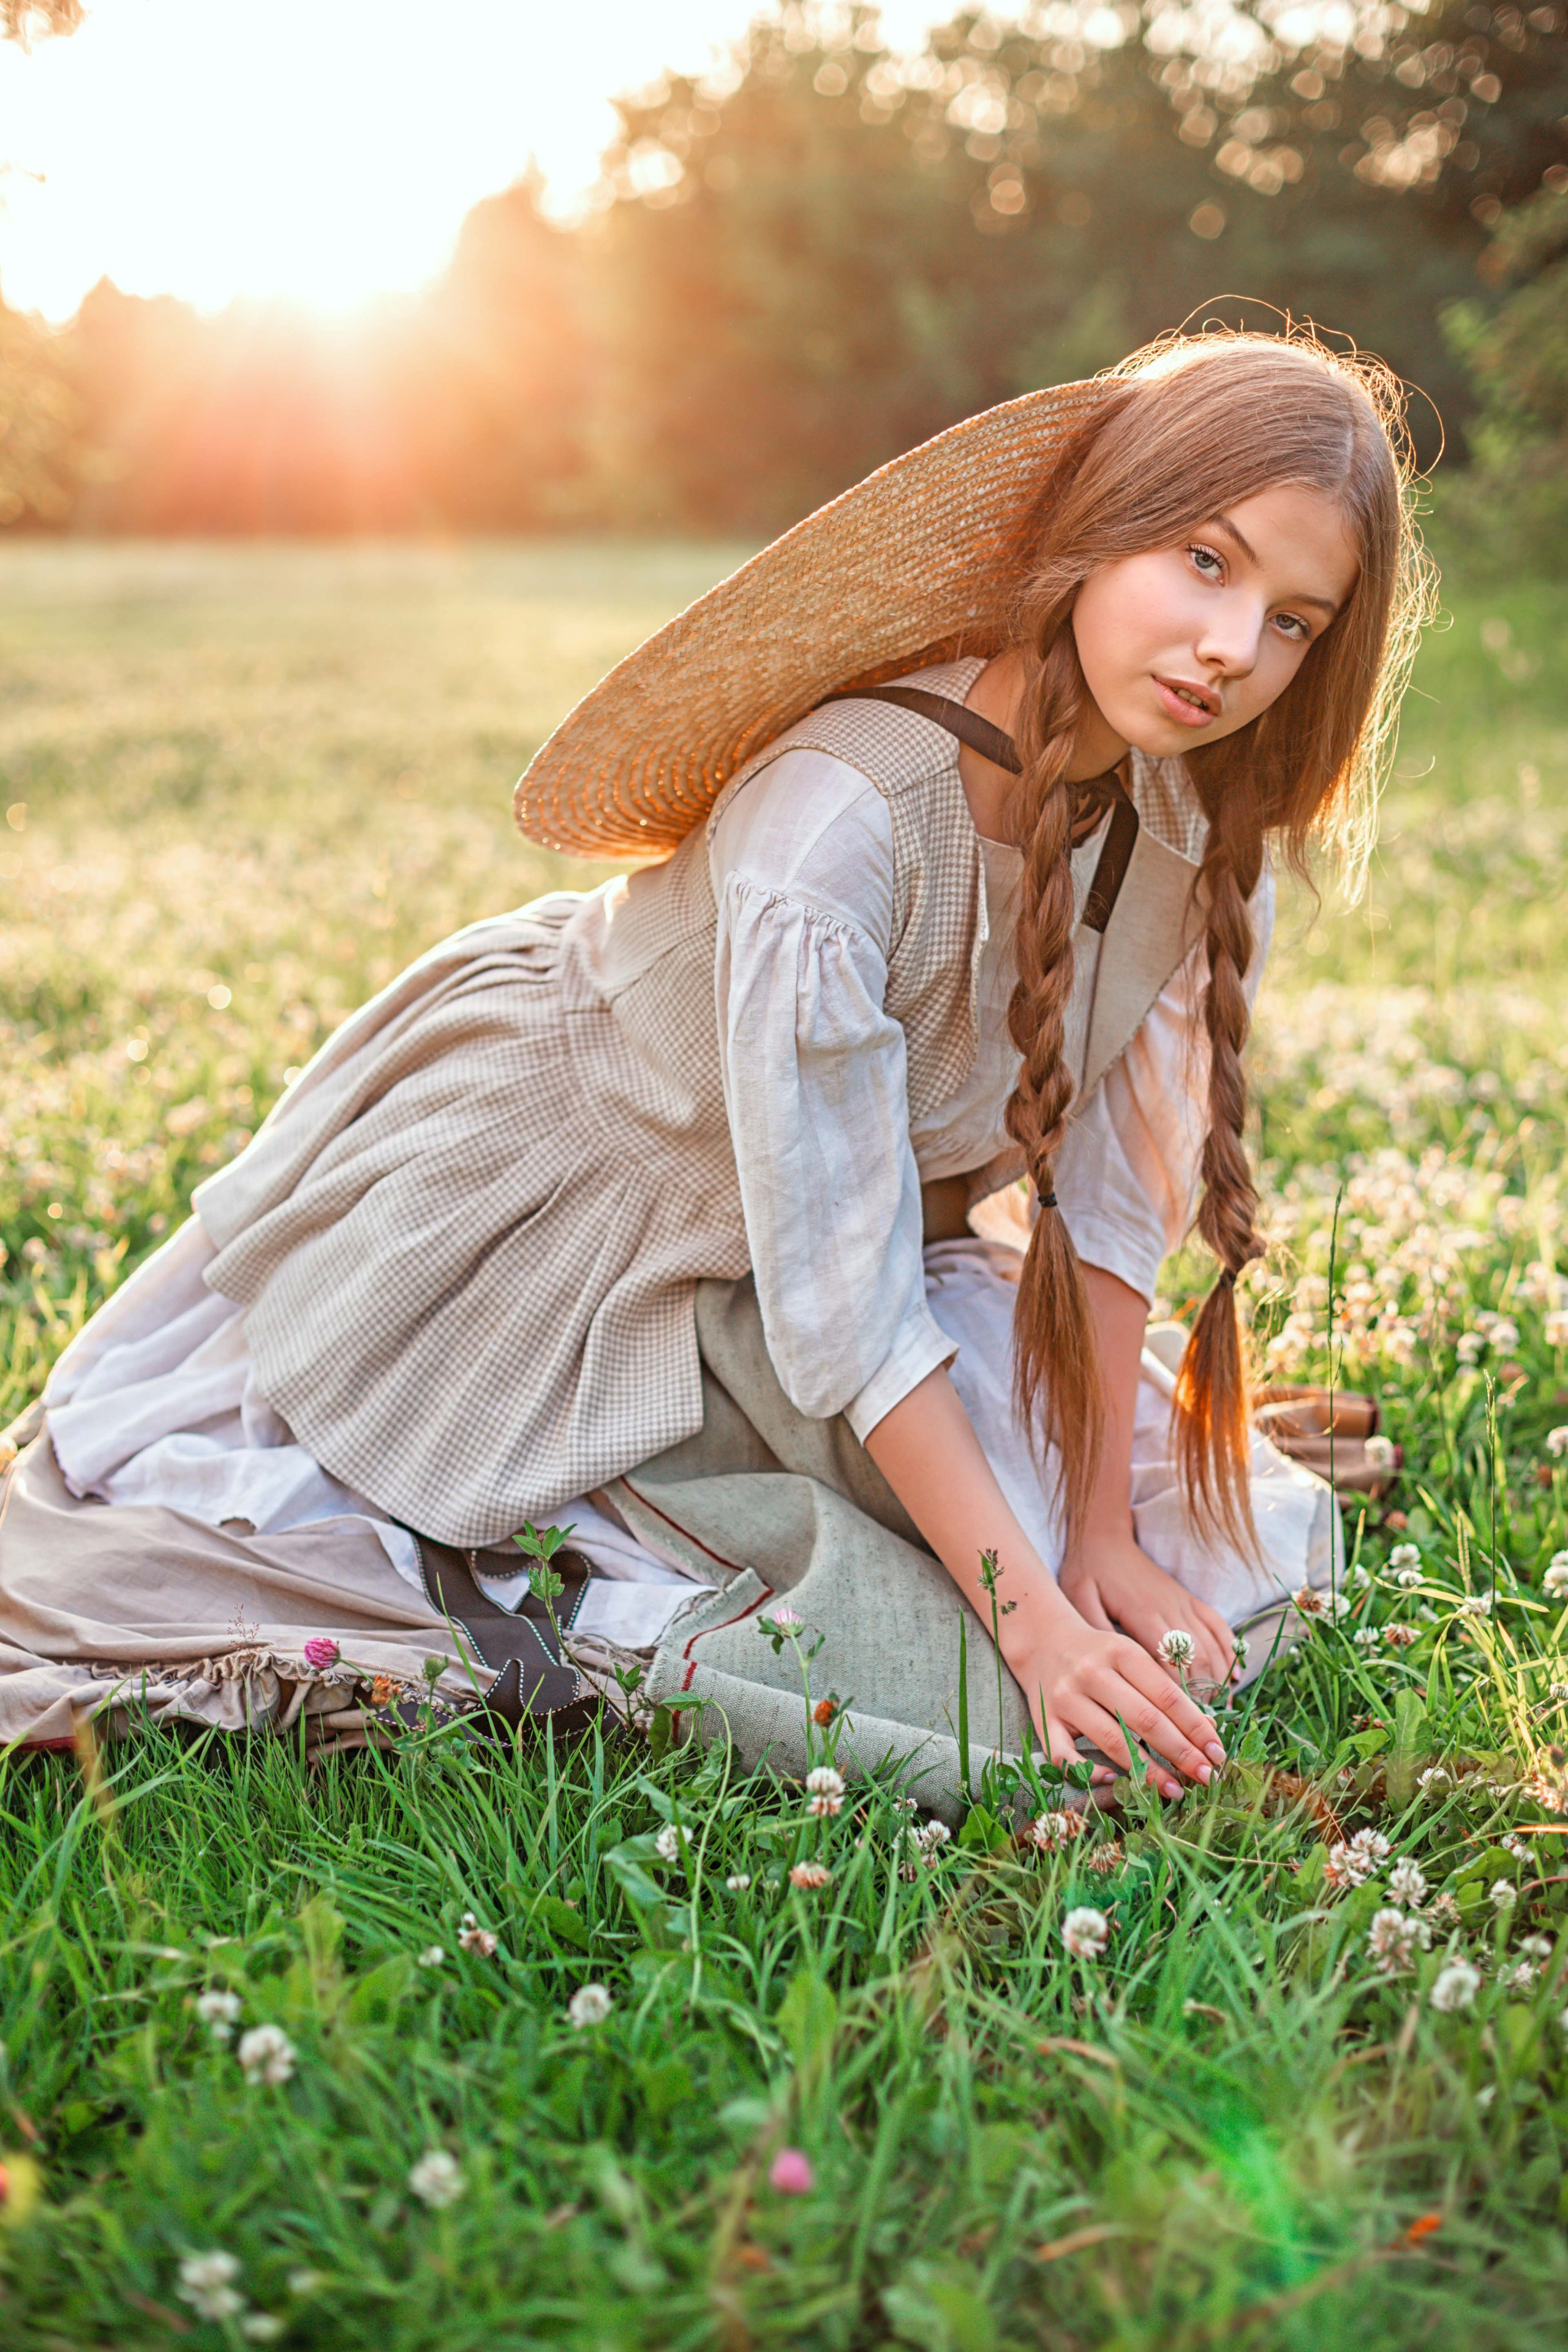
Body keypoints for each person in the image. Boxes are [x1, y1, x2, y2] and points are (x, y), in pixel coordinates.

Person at [0, 330, 1430, 1797]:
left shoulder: (1193, 831)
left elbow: (1108, 1209)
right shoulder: (836, 826)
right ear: (1093, 529)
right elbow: (852, 1316)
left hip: (828, 1251)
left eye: (1292, 621)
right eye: (1204, 561)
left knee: (1187, 1543)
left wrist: (1099, 1539)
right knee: (947, 1690)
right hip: (576, 1213)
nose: (1230, 649)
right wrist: (1039, 1628)